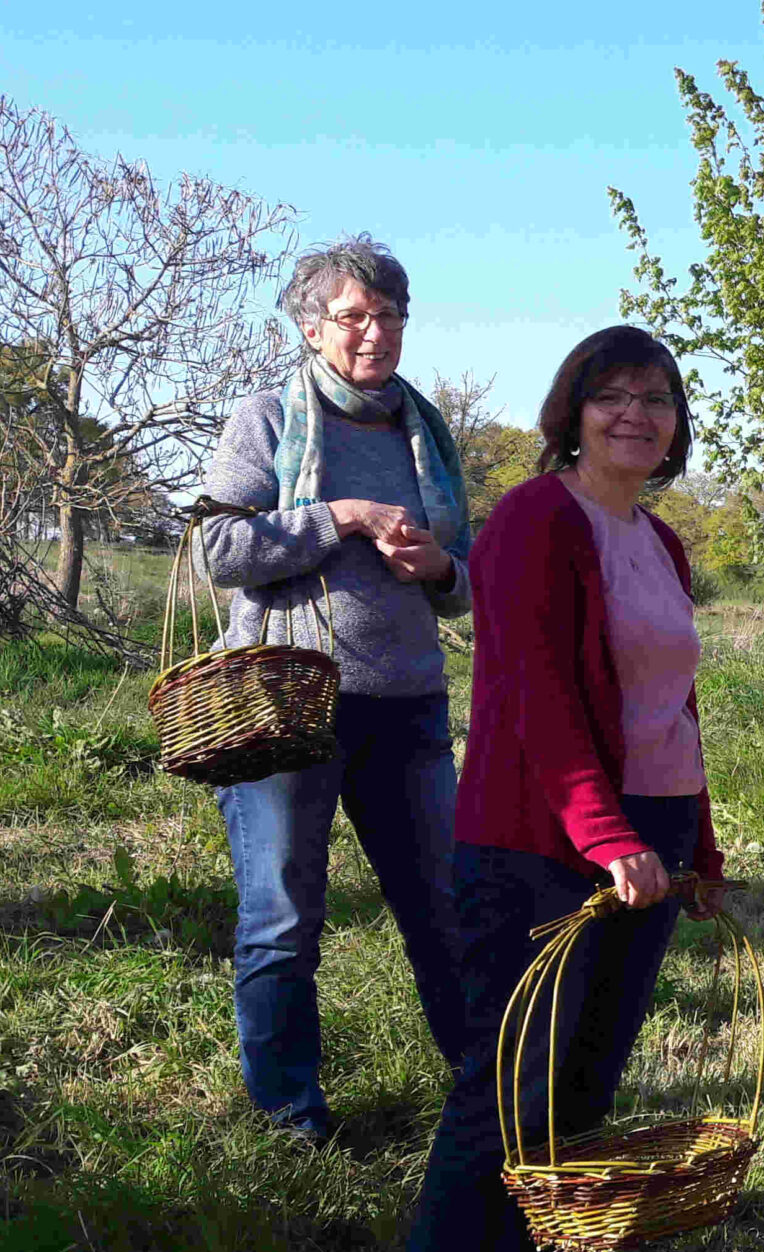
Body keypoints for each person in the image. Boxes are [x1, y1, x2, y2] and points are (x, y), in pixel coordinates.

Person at [397, 325, 723, 1252]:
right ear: (572, 410)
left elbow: (671, 708)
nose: (637, 412)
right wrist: (605, 835)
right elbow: (536, 700)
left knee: (585, 1079)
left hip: (650, 834)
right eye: (612, 394)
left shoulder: (662, 542)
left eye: (657, 396)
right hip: (542, 840)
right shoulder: (535, 520)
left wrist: (697, 844)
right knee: (507, 1083)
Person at [195, 235, 470, 1145]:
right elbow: (220, 552)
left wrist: (438, 568)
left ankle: (485, 1094)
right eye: (353, 316)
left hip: (408, 704)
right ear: (311, 327)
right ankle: (290, 1118)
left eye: (389, 315)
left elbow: (466, 583)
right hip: (285, 705)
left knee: (443, 907)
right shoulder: (268, 419)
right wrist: (339, 517)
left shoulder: (424, 432)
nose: (375, 333)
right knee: (281, 917)